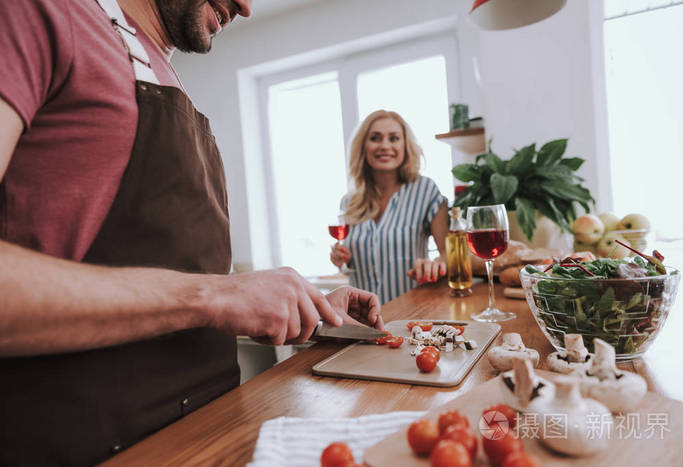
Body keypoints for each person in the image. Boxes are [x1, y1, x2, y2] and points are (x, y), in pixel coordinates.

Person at [0, 1, 383, 465]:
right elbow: (201, 295)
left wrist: (301, 307)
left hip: (215, 437)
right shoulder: (40, 13)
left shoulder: (165, 76)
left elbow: (175, 285)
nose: (245, 6)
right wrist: (215, 296)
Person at [330, 110, 449, 304]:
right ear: (363, 146)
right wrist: (342, 260)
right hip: (361, 320)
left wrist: (434, 265)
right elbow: (352, 264)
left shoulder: (425, 190)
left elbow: (449, 255)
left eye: (394, 138)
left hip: (411, 315)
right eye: (375, 138)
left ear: (405, 145)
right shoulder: (349, 201)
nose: (385, 146)